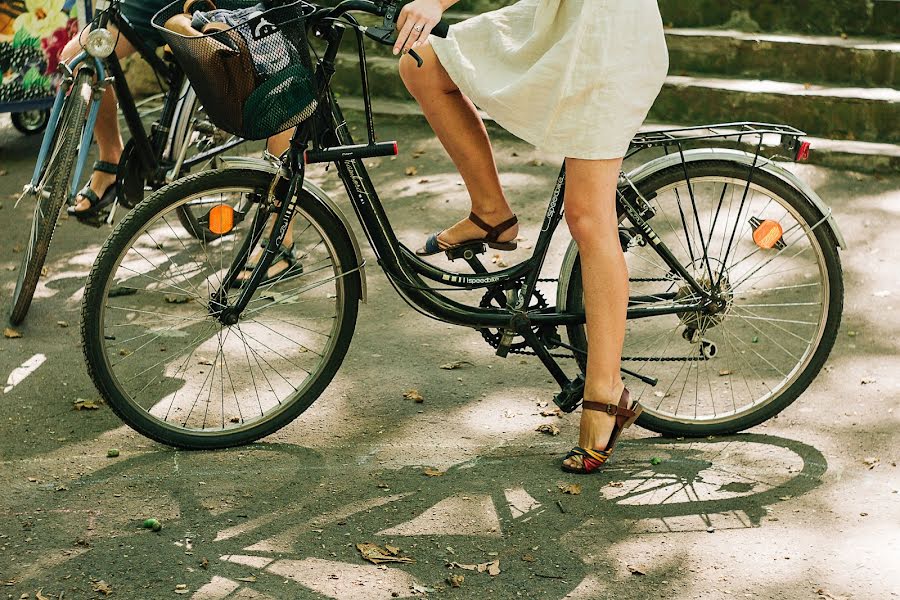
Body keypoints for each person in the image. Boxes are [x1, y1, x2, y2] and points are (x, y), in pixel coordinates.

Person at [395, 0, 669, 473]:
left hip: (610, 35)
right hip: (560, 24)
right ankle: (490, 212)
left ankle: (605, 393)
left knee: (586, 215)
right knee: (421, 64)